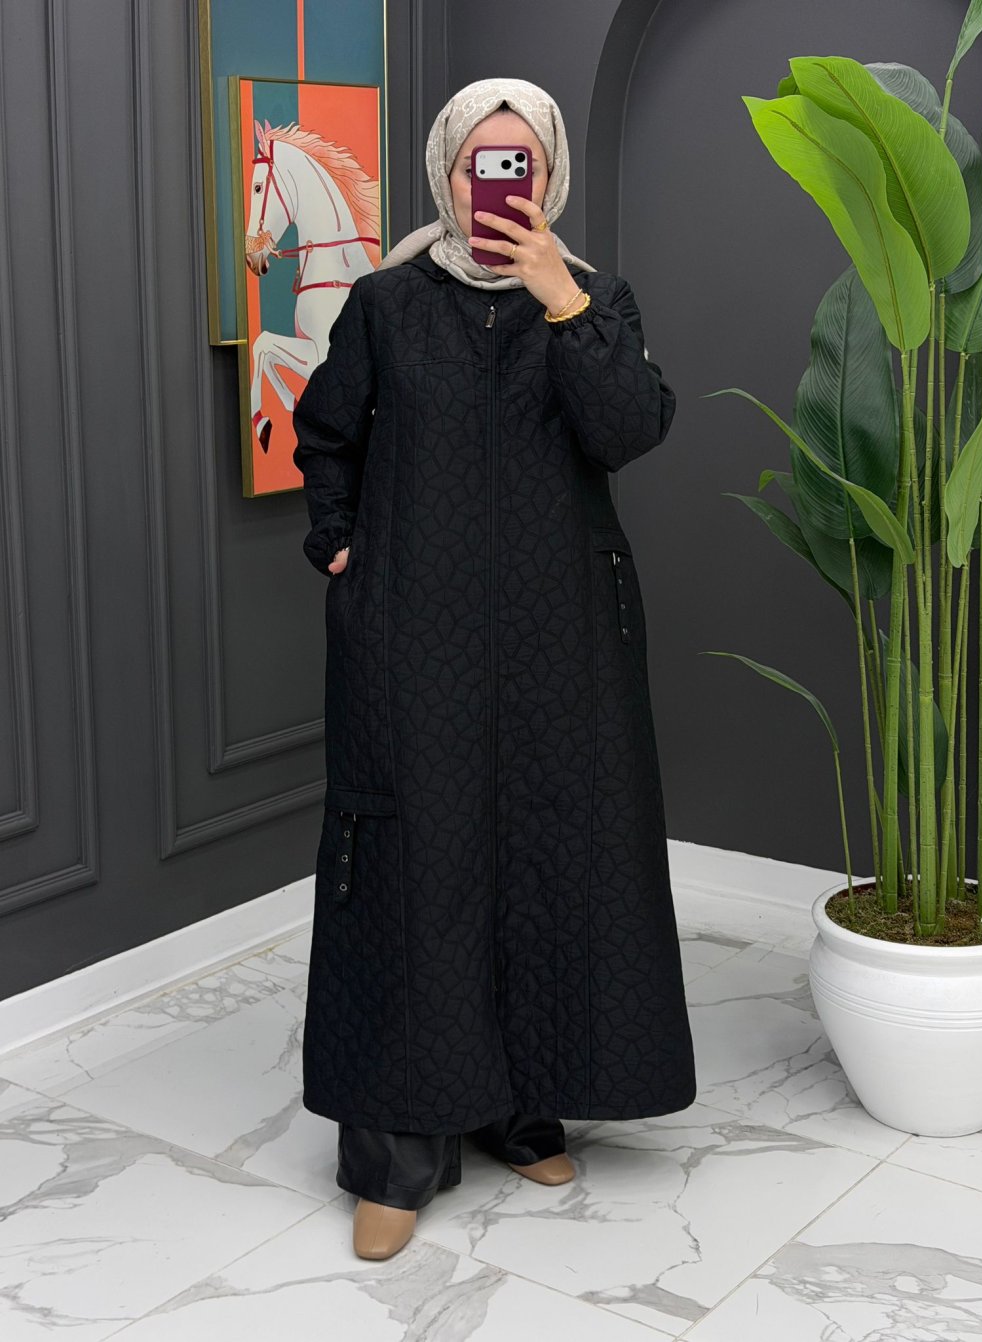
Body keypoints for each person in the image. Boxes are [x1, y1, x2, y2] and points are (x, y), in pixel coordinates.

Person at [291, 76, 697, 1261]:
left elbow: (628, 429)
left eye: (521, 162)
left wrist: (562, 300)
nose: (498, 182)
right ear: (446, 173)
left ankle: (523, 1111)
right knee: (417, 864)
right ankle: (396, 1154)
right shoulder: (385, 301)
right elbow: (328, 431)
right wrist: (340, 540)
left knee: (544, 853)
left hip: (560, 638)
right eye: (481, 161)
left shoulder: (593, 299)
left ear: (549, 177)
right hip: (411, 631)